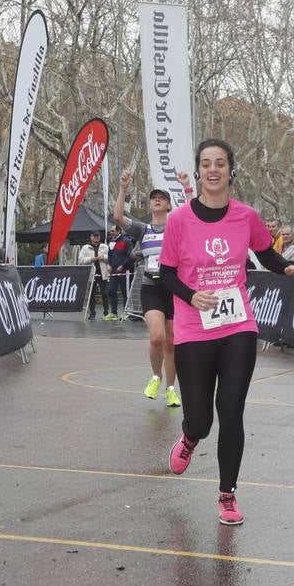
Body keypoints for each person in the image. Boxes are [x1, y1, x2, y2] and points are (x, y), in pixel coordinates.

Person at [158, 138, 294, 525]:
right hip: (194, 327)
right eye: (206, 163)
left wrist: (286, 268)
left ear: (230, 170)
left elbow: (266, 252)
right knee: (202, 420)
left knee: (231, 409)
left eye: (220, 163)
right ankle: (190, 437)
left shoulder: (246, 216)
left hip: (237, 324)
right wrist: (192, 297)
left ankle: (228, 494)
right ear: (198, 171)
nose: (213, 170)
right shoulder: (179, 220)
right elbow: (167, 273)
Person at [114, 169, 193, 408]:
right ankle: (156, 376)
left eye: (162, 198)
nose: (157, 200)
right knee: (157, 337)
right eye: (154, 198)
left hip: (174, 289)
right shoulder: (142, 229)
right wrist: (124, 188)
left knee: (171, 341)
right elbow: (117, 217)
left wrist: (186, 187)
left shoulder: (177, 225)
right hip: (151, 287)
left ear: (169, 205)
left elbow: (193, 215)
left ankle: (170, 388)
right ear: (150, 205)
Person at [105, 223, 135, 321]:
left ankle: (127, 312)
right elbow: (109, 255)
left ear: (119, 231)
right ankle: (114, 313)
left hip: (124, 271)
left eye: (113, 231)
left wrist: (123, 266)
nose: (111, 232)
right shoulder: (110, 241)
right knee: (111, 291)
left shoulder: (126, 241)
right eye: (110, 231)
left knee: (125, 292)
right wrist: (108, 264)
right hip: (113, 271)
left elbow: (131, 256)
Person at [78, 231, 110, 319]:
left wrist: (103, 257)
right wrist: (92, 259)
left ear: (100, 237)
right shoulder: (85, 247)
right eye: (94, 236)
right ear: (91, 237)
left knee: (105, 294)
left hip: (102, 273)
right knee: (92, 294)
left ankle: (106, 313)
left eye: (98, 236)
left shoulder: (104, 246)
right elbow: (80, 260)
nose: (96, 237)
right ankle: (92, 313)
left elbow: (111, 257)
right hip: (91, 274)